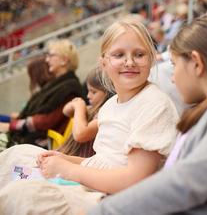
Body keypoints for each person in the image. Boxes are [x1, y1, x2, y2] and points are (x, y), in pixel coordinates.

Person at [87, 15, 207, 215]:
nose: (172, 78)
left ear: (196, 63)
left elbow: (192, 179)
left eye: (174, 65)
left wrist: (102, 211)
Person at [0, 16, 179, 215]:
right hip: (94, 185)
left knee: (21, 196)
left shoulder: (154, 104)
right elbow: (102, 162)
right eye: (119, 54)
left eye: (139, 54)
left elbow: (133, 179)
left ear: (152, 58)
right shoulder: (110, 105)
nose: (129, 62)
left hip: (114, 200)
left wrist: (68, 169)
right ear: (103, 63)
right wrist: (64, 159)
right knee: (17, 155)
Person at [0, 39, 83, 147]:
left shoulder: (70, 87)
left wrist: (12, 126)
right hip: (29, 138)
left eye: (51, 56)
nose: (47, 60)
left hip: (39, 143)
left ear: (64, 60)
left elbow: (48, 121)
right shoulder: (57, 84)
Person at [58, 67, 114, 157]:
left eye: (93, 92)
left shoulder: (105, 114)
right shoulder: (91, 108)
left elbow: (81, 134)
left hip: (85, 162)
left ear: (108, 93)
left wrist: (78, 107)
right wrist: (75, 105)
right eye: (88, 91)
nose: (88, 96)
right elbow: (65, 111)